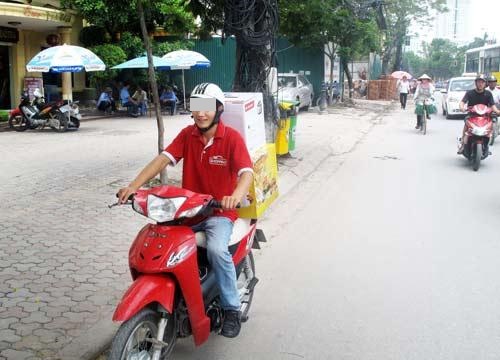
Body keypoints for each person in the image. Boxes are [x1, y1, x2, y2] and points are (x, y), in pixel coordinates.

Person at [117, 83, 254, 338]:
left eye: (207, 108)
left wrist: (234, 197)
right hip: (187, 212)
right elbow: (162, 160)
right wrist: (133, 187)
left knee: (215, 249)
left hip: (218, 214)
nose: (200, 114)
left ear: (219, 109)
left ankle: (232, 309)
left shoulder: (232, 138)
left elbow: (246, 172)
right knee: (162, 244)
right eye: (196, 108)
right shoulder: (187, 134)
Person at [457, 74, 500, 153]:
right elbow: (462, 102)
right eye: (478, 82)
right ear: (476, 83)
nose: (480, 84)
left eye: (482, 82)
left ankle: (486, 146)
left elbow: (493, 106)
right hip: (472, 116)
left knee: (489, 129)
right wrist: (462, 107)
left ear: (485, 84)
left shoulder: (488, 94)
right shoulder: (470, 93)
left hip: (484, 117)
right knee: (466, 126)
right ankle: (463, 143)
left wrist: (497, 111)